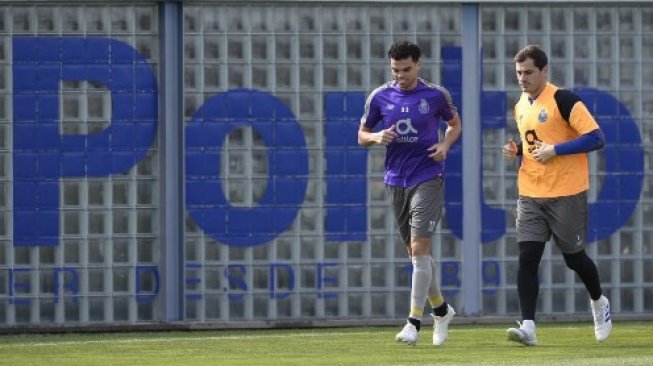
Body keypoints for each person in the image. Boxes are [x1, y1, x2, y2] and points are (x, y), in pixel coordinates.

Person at [502, 44, 612, 346]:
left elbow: (596, 137)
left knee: (575, 259)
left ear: (544, 71)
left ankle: (599, 301)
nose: (522, 78)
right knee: (527, 258)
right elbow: (535, 143)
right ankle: (528, 328)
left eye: (528, 73)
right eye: (518, 73)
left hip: (566, 193)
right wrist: (519, 151)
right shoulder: (521, 104)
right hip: (530, 193)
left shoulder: (564, 100)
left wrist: (557, 150)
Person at [358, 40, 462, 346]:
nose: (401, 75)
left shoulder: (435, 94)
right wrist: (377, 136)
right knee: (417, 254)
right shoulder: (379, 96)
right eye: (395, 70)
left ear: (418, 64)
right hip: (396, 180)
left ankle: (413, 322)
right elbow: (361, 135)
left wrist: (444, 145)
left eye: (406, 69)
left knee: (420, 248)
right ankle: (441, 310)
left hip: (428, 176)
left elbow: (455, 125)